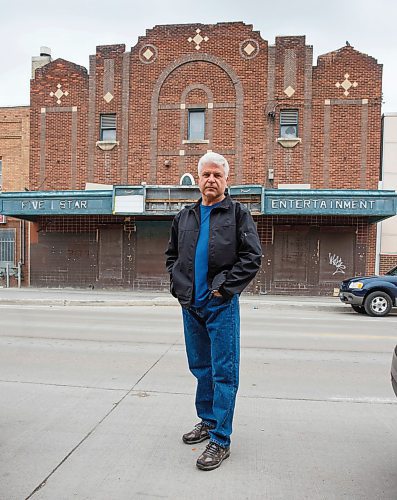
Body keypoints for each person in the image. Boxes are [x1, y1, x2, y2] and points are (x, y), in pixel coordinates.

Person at [165, 152, 262, 471]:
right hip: (191, 306)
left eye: (217, 175)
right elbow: (172, 256)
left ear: (225, 180)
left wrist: (224, 288)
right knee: (201, 368)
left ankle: (221, 438)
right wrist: (178, 286)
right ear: (198, 179)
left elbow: (252, 257)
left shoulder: (237, 214)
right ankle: (207, 421)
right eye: (206, 174)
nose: (211, 180)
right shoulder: (184, 216)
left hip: (221, 306)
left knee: (224, 371)